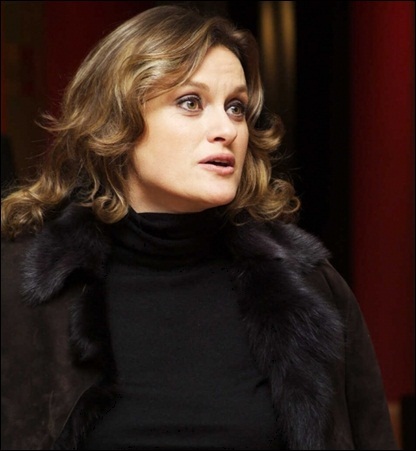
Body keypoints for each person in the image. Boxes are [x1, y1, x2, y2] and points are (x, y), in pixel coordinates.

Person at [1, 5, 398, 450]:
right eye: (191, 102)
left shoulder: (310, 288)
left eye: (236, 107)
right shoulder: (21, 290)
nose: (226, 129)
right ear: (117, 120)